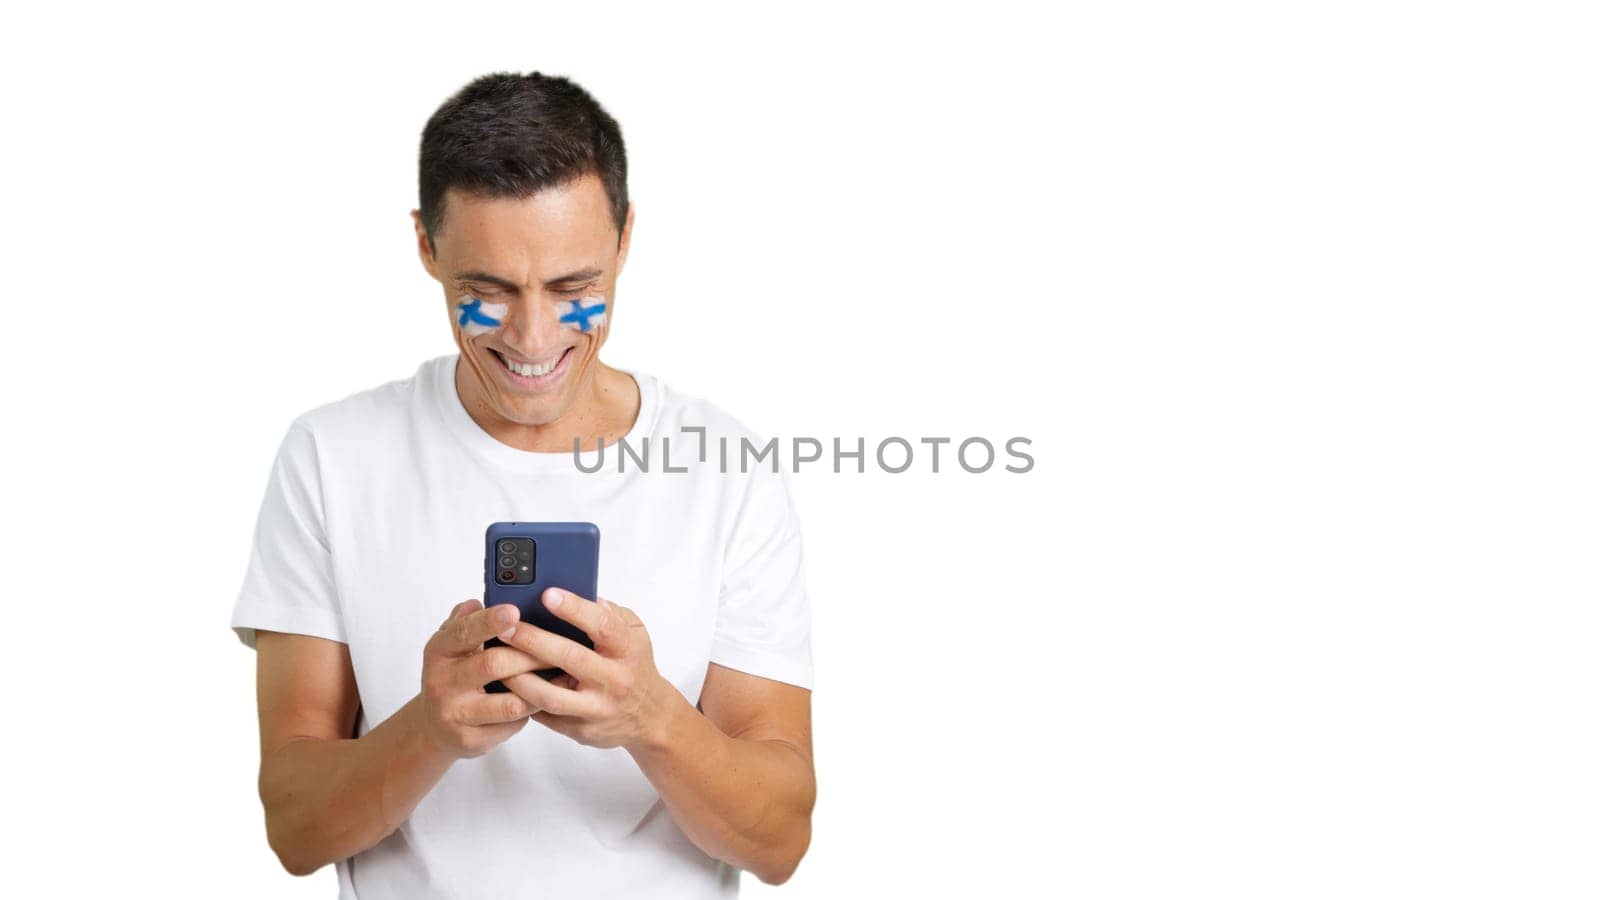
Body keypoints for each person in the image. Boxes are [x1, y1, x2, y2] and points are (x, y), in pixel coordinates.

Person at [230, 71, 815, 899]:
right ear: (427, 248)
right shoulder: (331, 458)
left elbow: (782, 842)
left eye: (575, 289)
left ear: (624, 241)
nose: (534, 337)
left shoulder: (728, 468)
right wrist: (431, 729)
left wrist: (652, 718)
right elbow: (294, 830)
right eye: (488, 291)